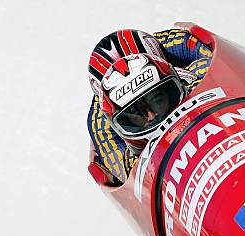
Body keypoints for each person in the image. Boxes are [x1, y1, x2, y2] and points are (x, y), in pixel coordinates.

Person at [86, 28, 212, 184]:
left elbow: (218, 63)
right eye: (135, 112)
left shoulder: (193, 69)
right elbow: (128, 178)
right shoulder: (102, 125)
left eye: (157, 99)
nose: (152, 116)